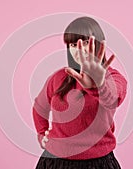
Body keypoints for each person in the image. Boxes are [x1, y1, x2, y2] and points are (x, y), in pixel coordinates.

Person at [32, 16, 127, 169]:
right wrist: (42, 134)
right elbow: (39, 107)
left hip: (97, 163)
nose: (79, 48)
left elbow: (111, 100)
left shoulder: (114, 78)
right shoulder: (59, 77)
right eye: (73, 44)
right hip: (54, 162)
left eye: (85, 42)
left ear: (98, 44)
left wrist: (98, 84)